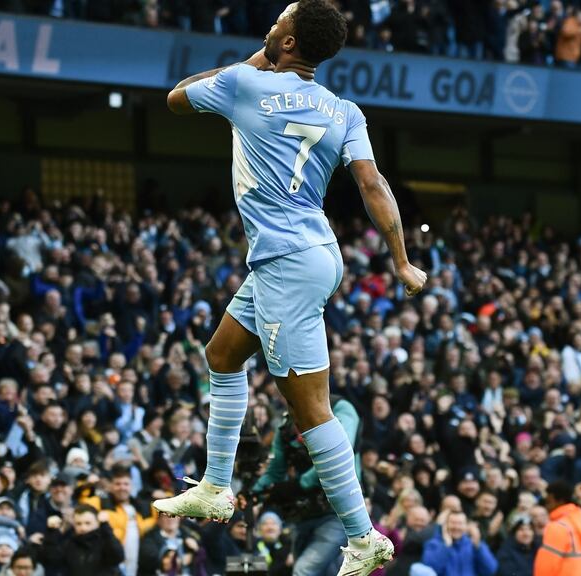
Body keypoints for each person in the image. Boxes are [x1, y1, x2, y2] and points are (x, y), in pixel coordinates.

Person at [156, 3, 427, 576]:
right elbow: (372, 185)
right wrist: (401, 262)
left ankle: (363, 537)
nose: (271, 21)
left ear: (285, 40)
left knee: (310, 411)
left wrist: (260, 59)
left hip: (285, 262)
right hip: (313, 254)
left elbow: (178, 96)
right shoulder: (343, 109)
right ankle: (214, 485)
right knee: (223, 354)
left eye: (279, 19)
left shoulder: (244, 82)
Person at [252, 394, 363, 576]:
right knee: (327, 571)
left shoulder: (340, 408)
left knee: (303, 571)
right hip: (302, 513)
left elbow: (338, 454)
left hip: (338, 511)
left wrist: (299, 484)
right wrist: (253, 492)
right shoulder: (286, 423)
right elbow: (276, 469)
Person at [533, 480, 581, 576]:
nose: (547, 507)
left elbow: (546, 567)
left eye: (548, 502)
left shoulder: (557, 528)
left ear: (556, 499)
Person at [37, 504, 124, 576]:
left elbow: (117, 556)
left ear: (97, 523)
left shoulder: (105, 541)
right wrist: (52, 533)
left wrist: (105, 527)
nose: (83, 528)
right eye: (79, 524)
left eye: (88, 523)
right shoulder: (70, 544)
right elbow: (51, 559)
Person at [421, 511, 498, 576]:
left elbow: (491, 569)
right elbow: (431, 570)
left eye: (460, 523)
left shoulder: (474, 544)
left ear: (466, 526)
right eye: (453, 523)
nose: (456, 527)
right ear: (445, 525)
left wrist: (478, 547)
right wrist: (446, 547)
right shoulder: (433, 544)